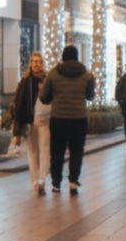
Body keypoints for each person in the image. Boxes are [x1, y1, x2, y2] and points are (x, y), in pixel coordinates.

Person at [40, 45, 95, 196]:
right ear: (77, 57)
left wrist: (54, 97)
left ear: (63, 57)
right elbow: (90, 96)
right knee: (77, 151)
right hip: (79, 119)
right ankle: (73, 182)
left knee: (57, 151)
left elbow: (44, 97)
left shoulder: (52, 74)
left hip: (59, 119)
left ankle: (56, 183)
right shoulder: (87, 75)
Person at [10, 51, 51, 195]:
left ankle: (42, 180)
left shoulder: (48, 80)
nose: (36, 64)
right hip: (29, 121)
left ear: (42, 64)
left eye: (39, 61)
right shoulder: (25, 81)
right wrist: (18, 129)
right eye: (34, 61)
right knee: (33, 152)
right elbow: (19, 104)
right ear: (30, 64)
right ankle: (35, 181)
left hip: (45, 120)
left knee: (45, 150)